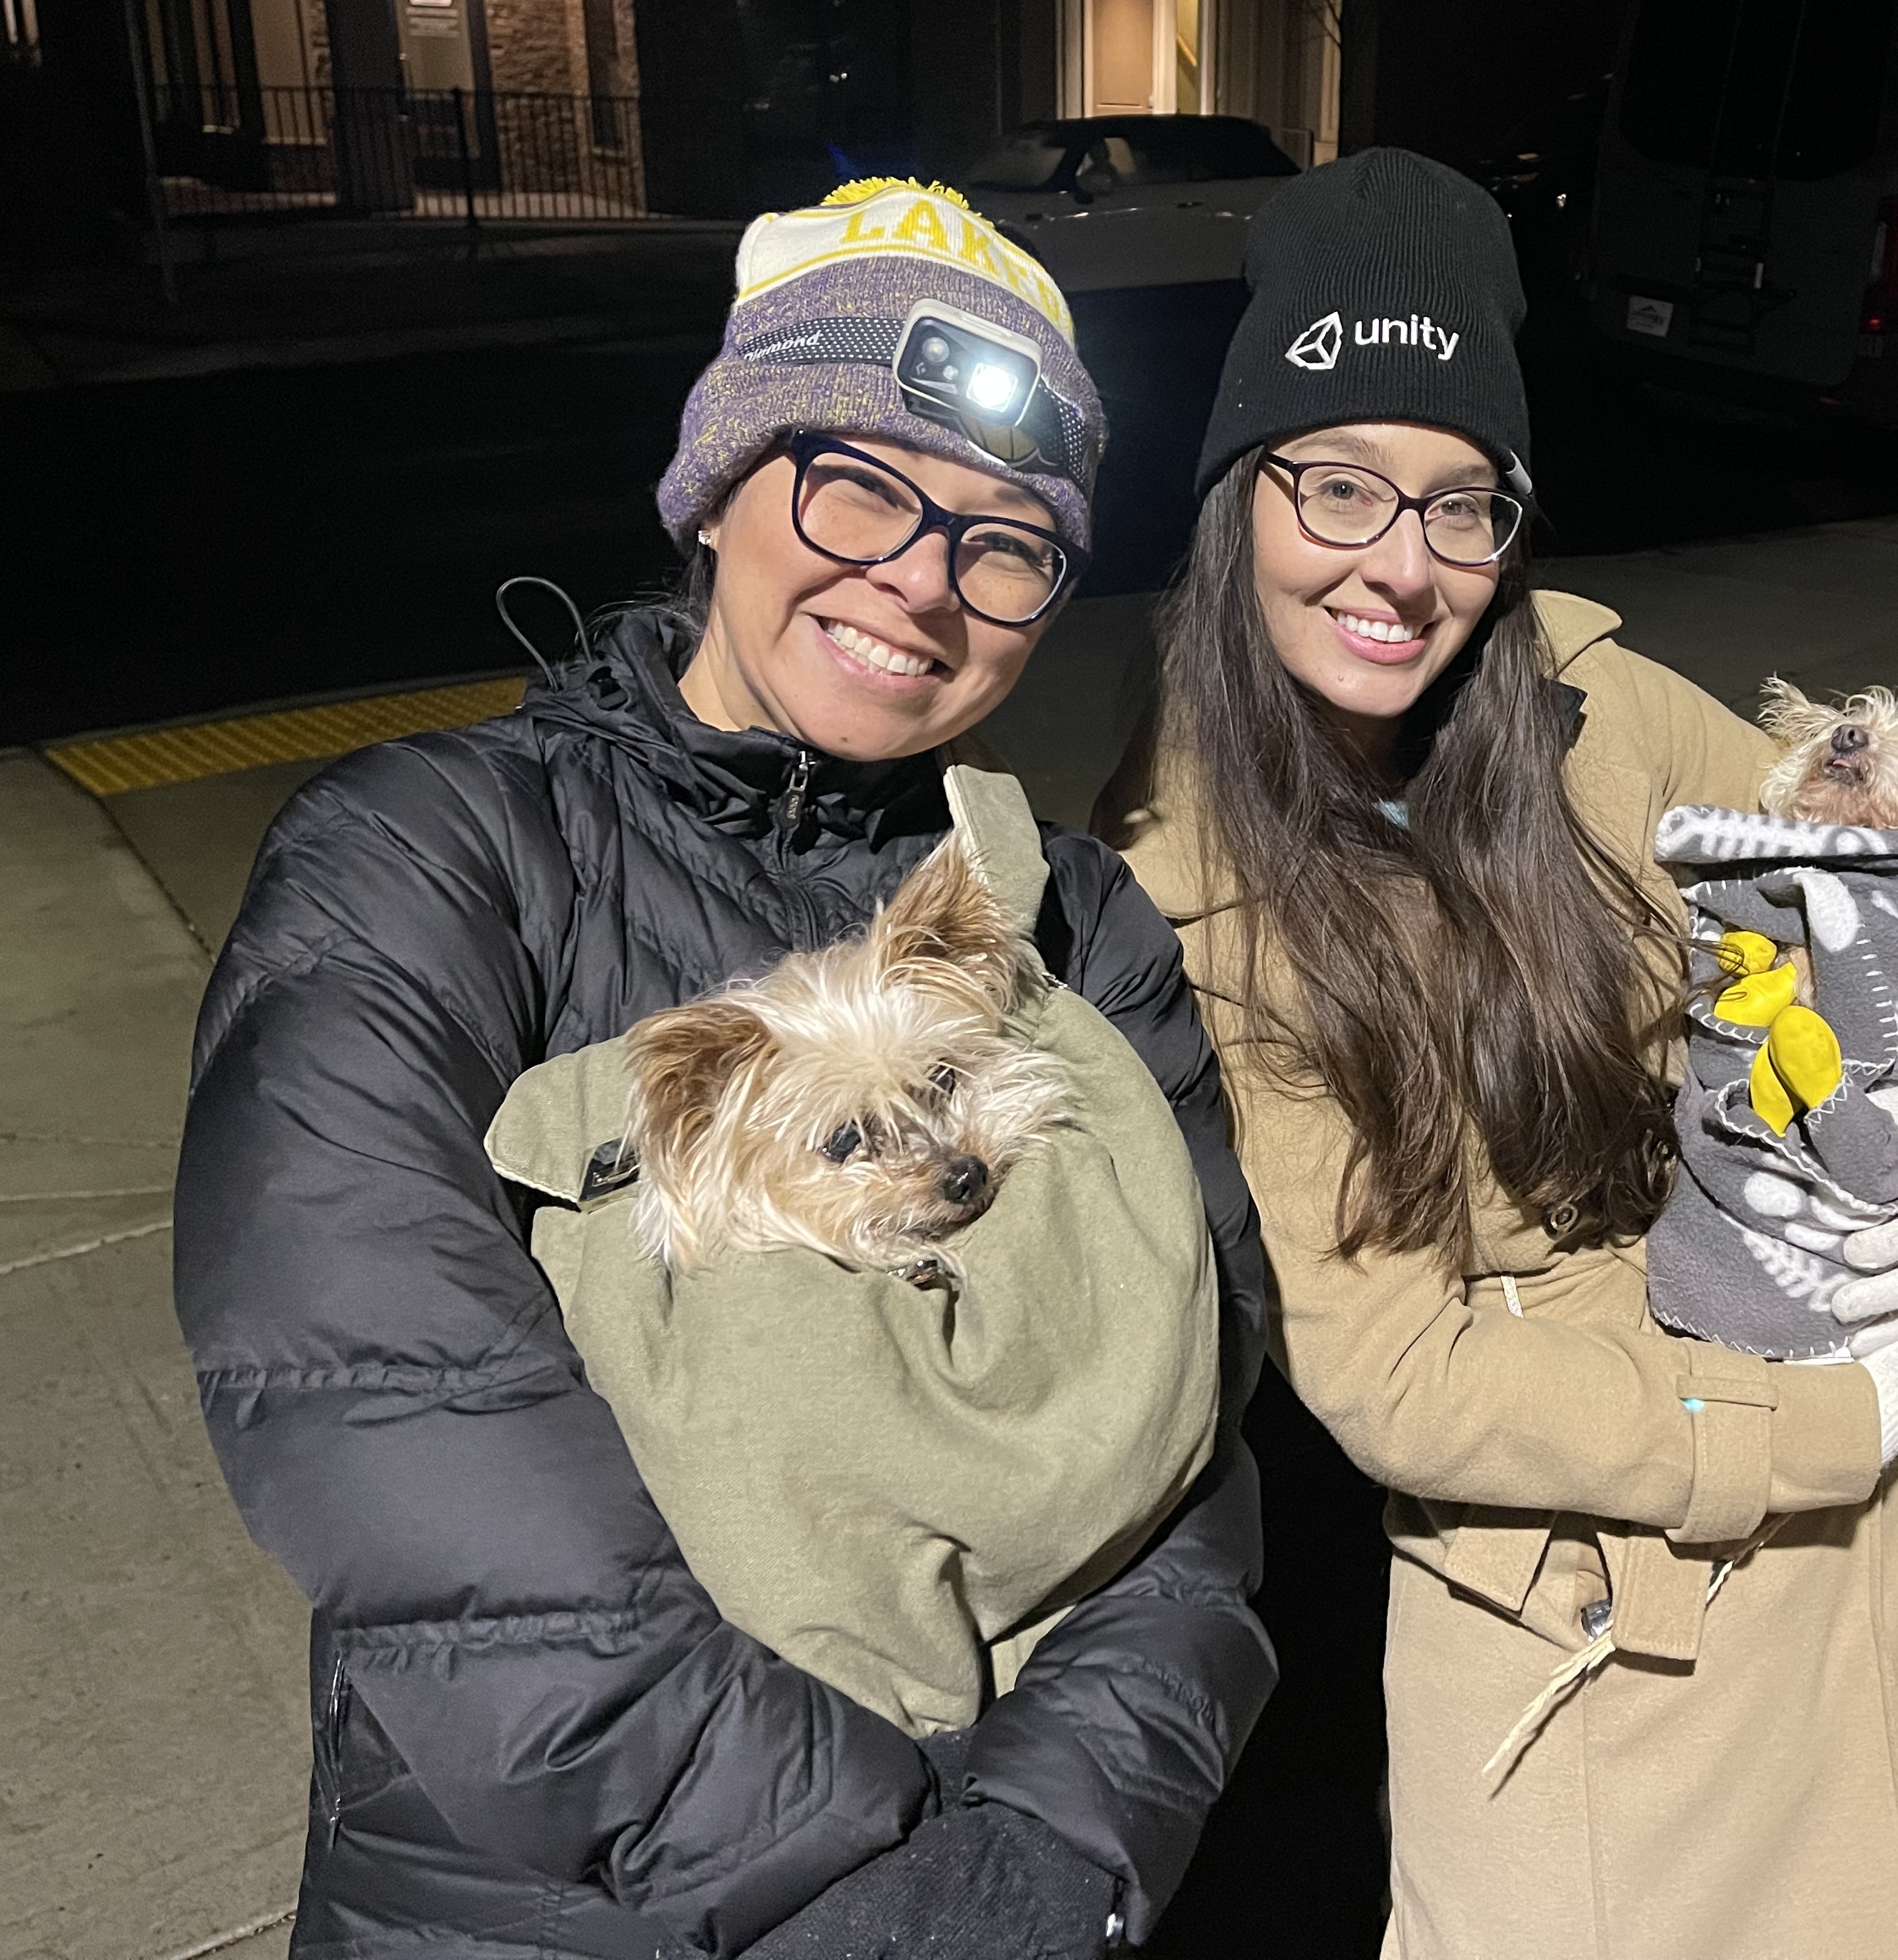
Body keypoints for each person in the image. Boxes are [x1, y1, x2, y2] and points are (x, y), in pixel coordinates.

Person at [174, 180, 1273, 1960]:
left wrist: (1053, 1854)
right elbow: (381, 1396)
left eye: (1005, 545)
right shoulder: (429, 860)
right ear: (719, 484)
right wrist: (840, 1876)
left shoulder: (1068, 918)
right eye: (859, 485)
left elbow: (1196, 1428)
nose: (920, 582)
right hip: (525, 1900)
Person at [1097, 151, 1898, 1959]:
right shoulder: (1180, 877)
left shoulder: (1591, 703)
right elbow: (1394, 1373)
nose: (1405, 563)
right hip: (1570, 1568)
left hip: (1848, 1545)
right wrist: (1825, 1426)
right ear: (1239, 497)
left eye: (1466, 504)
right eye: (1340, 486)